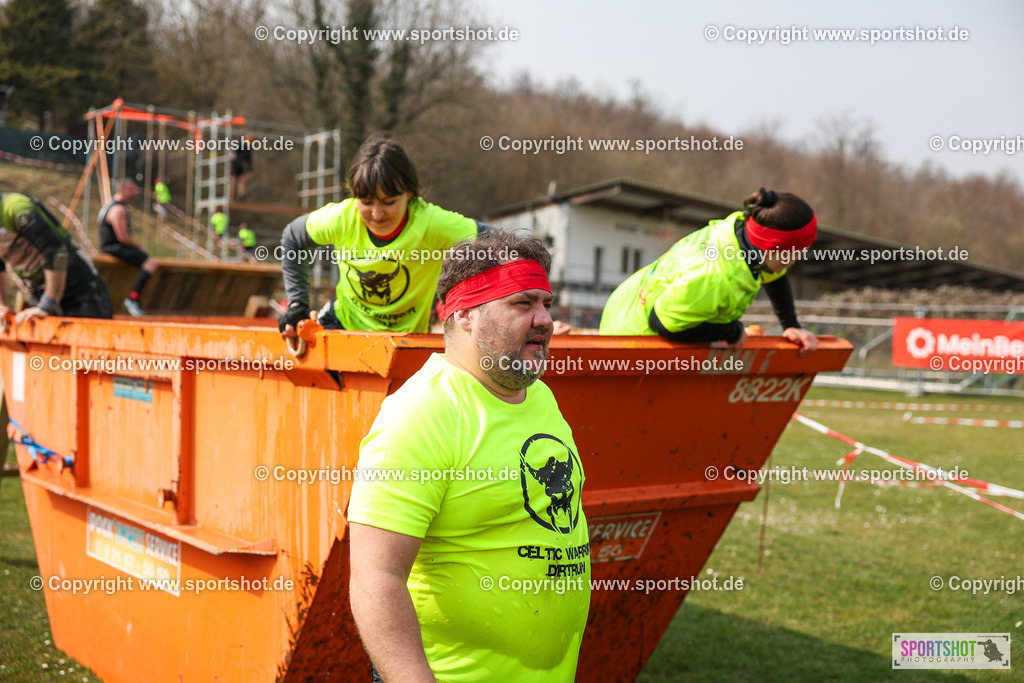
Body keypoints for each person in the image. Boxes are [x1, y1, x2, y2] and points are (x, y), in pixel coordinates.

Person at [348, 230, 591, 681]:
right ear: (464, 314)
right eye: (522, 304)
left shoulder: (540, 397)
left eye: (546, 304)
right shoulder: (422, 413)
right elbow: (374, 578)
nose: (544, 320)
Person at [278, 137, 489, 337]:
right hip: (342, 328)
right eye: (366, 202)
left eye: (389, 202)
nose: (377, 214)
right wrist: (297, 304)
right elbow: (292, 238)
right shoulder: (342, 218)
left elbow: (500, 244)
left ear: (410, 194)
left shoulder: (431, 222)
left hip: (406, 340)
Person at [599, 187, 819, 355]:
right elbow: (664, 323)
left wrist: (791, 324)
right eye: (798, 252)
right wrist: (731, 331)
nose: (797, 260)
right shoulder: (714, 277)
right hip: (631, 335)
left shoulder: (742, 231)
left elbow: (774, 276)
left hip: (629, 300)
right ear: (775, 250)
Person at [0, 191, 112, 321]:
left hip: (81, 292)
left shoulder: (15, 207)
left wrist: (47, 304)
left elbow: (55, 251)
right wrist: (3, 308)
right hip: (41, 294)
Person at [98, 179, 157, 317]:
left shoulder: (111, 205)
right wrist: (140, 246)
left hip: (111, 246)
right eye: (132, 190)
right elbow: (123, 237)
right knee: (151, 262)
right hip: (113, 247)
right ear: (122, 190)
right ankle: (133, 299)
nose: (135, 193)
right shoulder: (118, 209)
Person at [230, 135, 253, 200]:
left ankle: (241, 195)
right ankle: (231, 195)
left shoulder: (248, 148)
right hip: (234, 165)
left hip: (240, 166)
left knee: (242, 180)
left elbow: (249, 160)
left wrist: (249, 170)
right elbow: (233, 154)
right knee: (233, 180)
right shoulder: (238, 144)